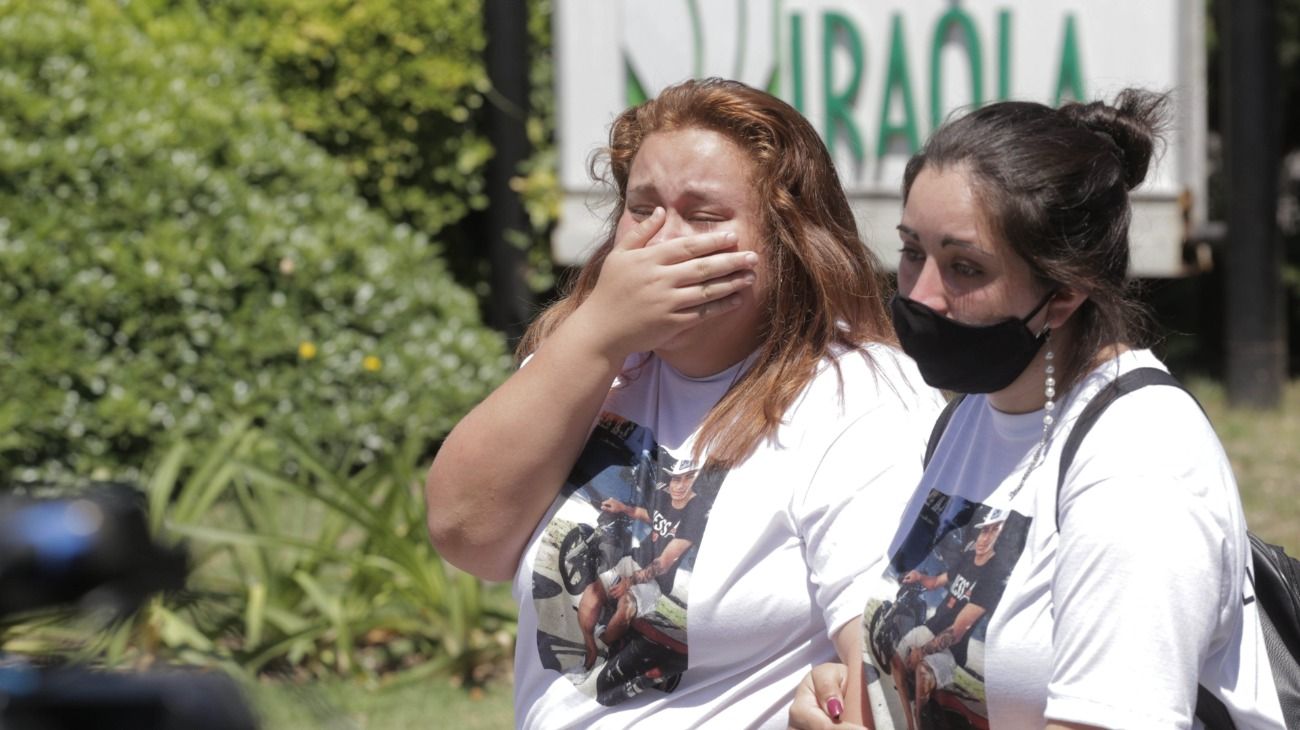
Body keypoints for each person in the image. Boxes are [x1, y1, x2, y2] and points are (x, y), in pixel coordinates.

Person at [425, 77, 944, 728]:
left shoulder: (859, 397)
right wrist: (592, 335)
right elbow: (466, 534)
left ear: (787, 243)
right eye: (641, 209)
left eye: (703, 217)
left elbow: (880, 659)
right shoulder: (596, 357)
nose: (660, 242)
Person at [789, 90, 1286, 729]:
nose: (920, 293)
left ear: (1065, 292)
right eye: (913, 251)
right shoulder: (972, 414)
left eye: (963, 266)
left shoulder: (1142, 467)